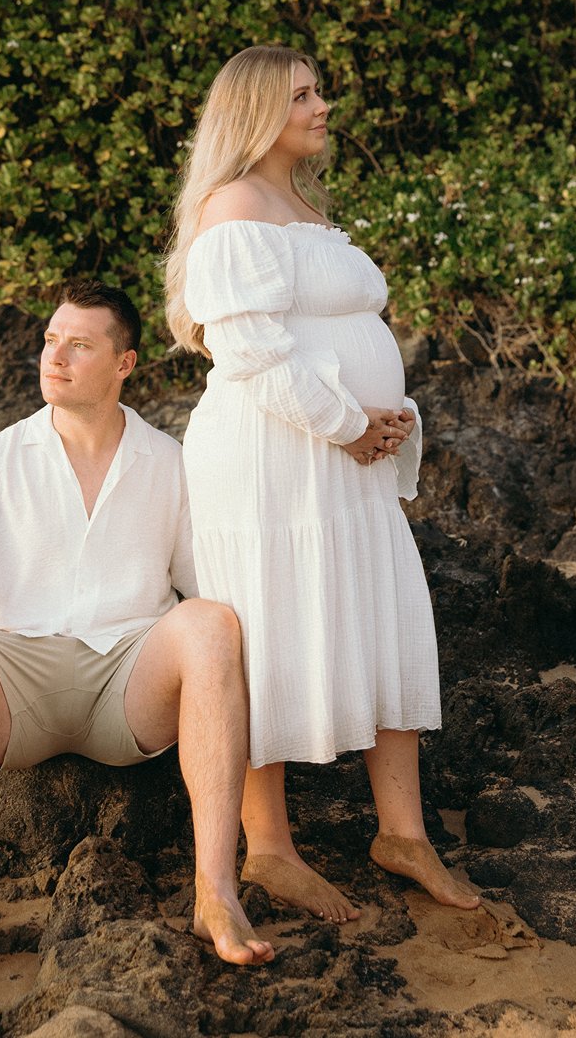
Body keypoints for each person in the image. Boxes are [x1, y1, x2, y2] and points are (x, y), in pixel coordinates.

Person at [0, 277, 274, 1001]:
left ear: (124, 364)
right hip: (15, 685)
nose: (54, 357)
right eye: (50, 340)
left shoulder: (170, 462)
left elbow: (207, 587)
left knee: (214, 624)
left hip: (129, 682)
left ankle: (214, 891)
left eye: (78, 345)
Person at [164, 46, 481, 924]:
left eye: (318, 90)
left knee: (378, 611)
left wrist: (389, 414)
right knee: (261, 626)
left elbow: (330, 333)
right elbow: (252, 353)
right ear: (259, 111)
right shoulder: (233, 210)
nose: (322, 105)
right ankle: (267, 849)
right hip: (273, 462)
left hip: (343, 463)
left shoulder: (303, 207)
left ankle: (402, 833)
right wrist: (348, 423)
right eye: (302, 94)